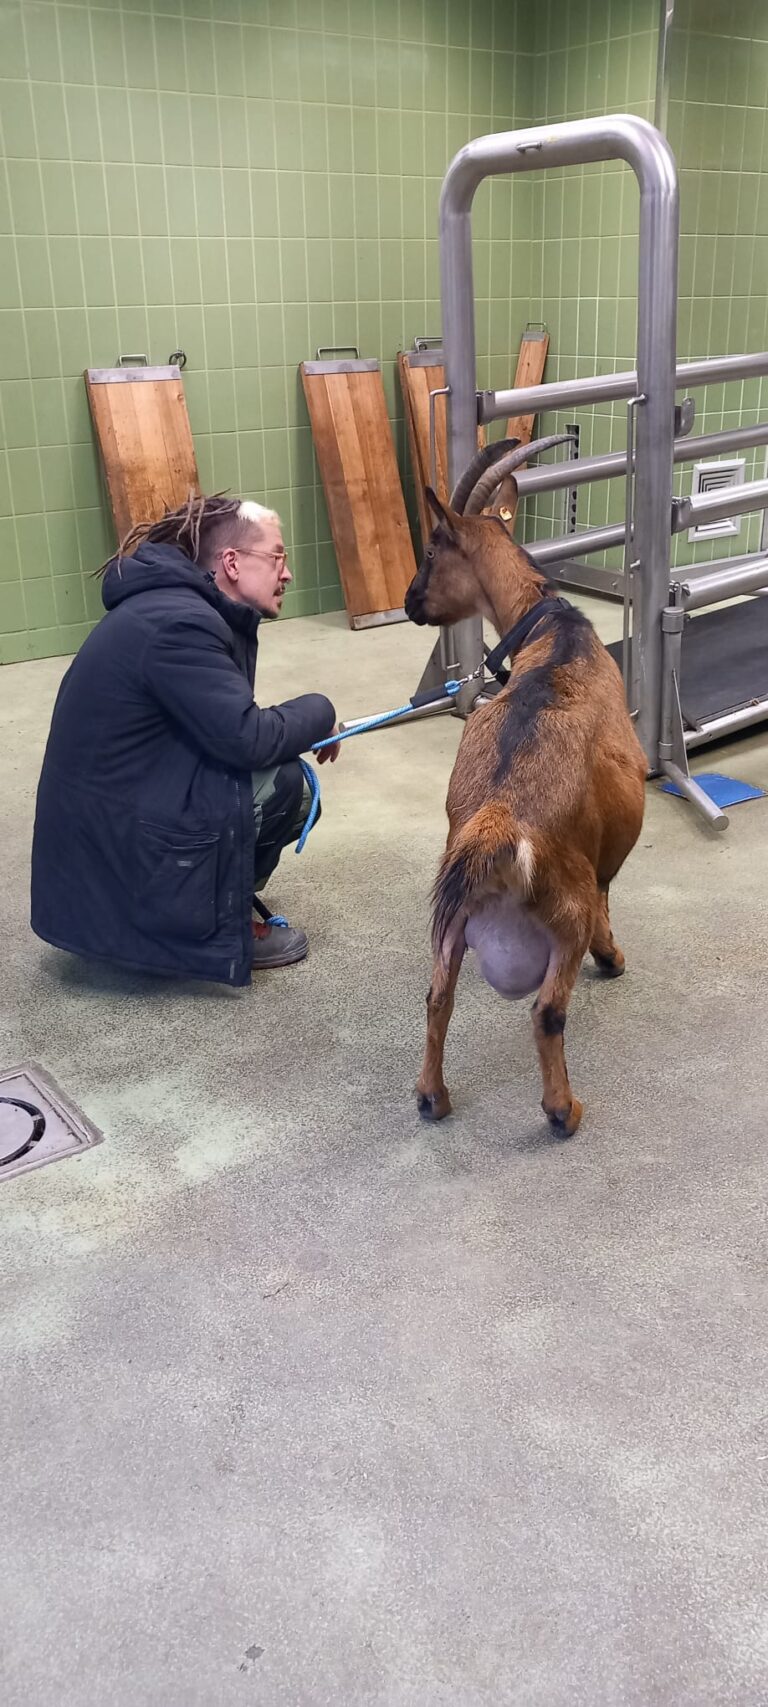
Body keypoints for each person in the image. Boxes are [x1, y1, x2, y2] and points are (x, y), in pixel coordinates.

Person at [31, 494, 340, 985]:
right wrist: (322, 710)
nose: (287, 574)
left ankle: (217, 897)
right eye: (277, 557)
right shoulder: (180, 623)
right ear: (232, 563)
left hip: (114, 822)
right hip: (113, 852)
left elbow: (225, 728)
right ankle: (213, 922)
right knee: (286, 784)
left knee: (269, 773)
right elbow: (248, 738)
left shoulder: (177, 607)